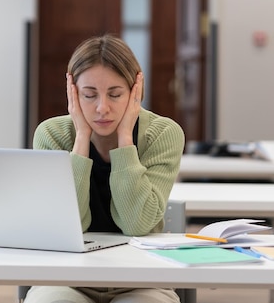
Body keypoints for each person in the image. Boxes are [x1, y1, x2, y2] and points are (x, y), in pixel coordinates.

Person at [25, 35, 185, 303]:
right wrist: (80, 140)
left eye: (115, 94)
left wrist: (125, 140)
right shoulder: (51, 135)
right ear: (72, 93)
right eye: (89, 95)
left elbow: (137, 224)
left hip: (141, 279)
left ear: (136, 90)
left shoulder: (163, 134)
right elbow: (69, 227)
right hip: (67, 277)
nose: (102, 108)